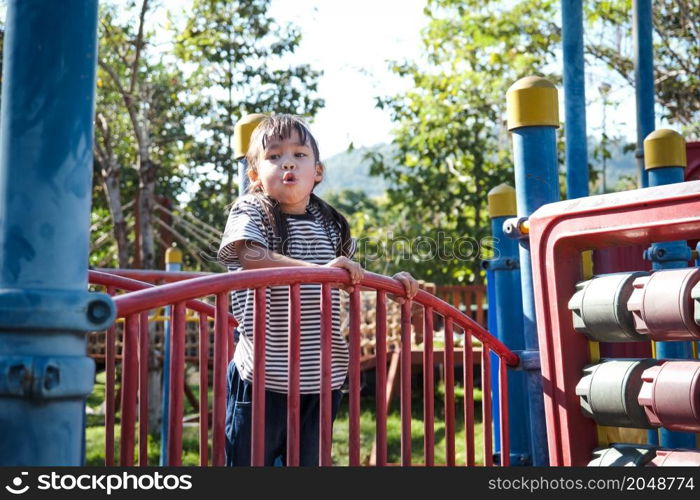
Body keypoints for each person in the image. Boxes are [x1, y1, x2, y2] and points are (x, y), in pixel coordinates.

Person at [217, 114, 418, 466]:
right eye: (274, 156)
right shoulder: (252, 209)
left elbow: (347, 278)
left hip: (320, 375)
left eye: (299, 154)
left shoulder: (331, 222)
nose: (288, 163)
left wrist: (392, 287)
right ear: (255, 176)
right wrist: (318, 272)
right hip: (263, 372)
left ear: (318, 172)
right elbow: (249, 255)